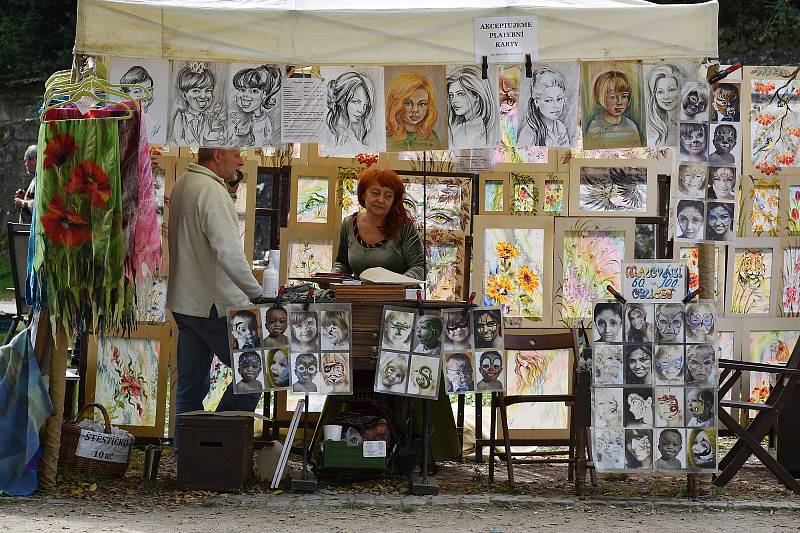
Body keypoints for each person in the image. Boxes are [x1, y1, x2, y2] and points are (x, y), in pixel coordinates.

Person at [167, 147, 266, 456]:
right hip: (213, 305)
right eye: (237, 155)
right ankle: (214, 446)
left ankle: (187, 455)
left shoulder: (184, 183)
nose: (241, 161)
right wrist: (257, 293)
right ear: (219, 154)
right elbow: (228, 252)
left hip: (186, 301)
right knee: (256, 372)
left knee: (190, 384)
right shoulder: (211, 190)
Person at [332, 168, 425, 280]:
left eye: (388, 196)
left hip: (397, 296)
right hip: (357, 295)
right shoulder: (348, 224)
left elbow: (420, 267)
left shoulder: (404, 227)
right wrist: (331, 276)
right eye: (375, 193)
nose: (381, 200)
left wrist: (397, 284)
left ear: (393, 201)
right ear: (363, 194)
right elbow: (342, 263)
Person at [169, 63, 225, 146]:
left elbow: (207, 134)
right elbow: (179, 138)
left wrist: (220, 136)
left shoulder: (205, 118)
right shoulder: (181, 116)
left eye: (208, 90)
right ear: (184, 95)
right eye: (196, 91)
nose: (203, 96)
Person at [385, 72, 441, 151]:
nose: (415, 110)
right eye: (408, 103)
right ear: (396, 105)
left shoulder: (432, 138)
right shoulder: (386, 136)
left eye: (421, 104)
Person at [228, 65, 281, 147]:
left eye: (254, 91)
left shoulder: (265, 119)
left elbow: (268, 132)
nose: (245, 95)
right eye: (242, 90)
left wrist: (268, 139)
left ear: (265, 95)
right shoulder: (243, 118)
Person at [446, 65, 498, 149]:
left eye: (460, 94)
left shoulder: (463, 130)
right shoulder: (480, 126)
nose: (454, 101)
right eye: (451, 95)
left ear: (477, 96)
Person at [586, 70, 641, 148]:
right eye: (613, 97)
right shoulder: (594, 127)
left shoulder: (631, 126)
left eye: (624, 96)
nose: (619, 102)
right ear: (601, 98)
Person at [518, 66, 570, 148]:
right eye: (548, 100)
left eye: (559, 99)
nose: (556, 105)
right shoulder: (529, 133)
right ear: (536, 102)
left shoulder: (561, 127)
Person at [325, 71, 374, 153]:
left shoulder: (353, 141)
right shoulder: (330, 139)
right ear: (341, 100)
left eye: (365, 104)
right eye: (356, 102)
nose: (362, 110)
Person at [119, 65, 160, 140]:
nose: (144, 96)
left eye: (148, 90)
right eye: (137, 91)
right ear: (123, 94)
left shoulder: (152, 126)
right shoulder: (119, 120)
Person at [646, 64, 683, 146]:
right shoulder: (653, 125)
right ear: (654, 95)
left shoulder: (686, 122)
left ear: (681, 90)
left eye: (671, 90)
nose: (666, 97)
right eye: (660, 92)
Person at [14, 145, 37, 224]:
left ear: (33, 160)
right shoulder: (35, 179)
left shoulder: (40, 180)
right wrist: (24, 197)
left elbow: (40, 205)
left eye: (26, 160)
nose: (25, 164)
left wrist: (22, 203)